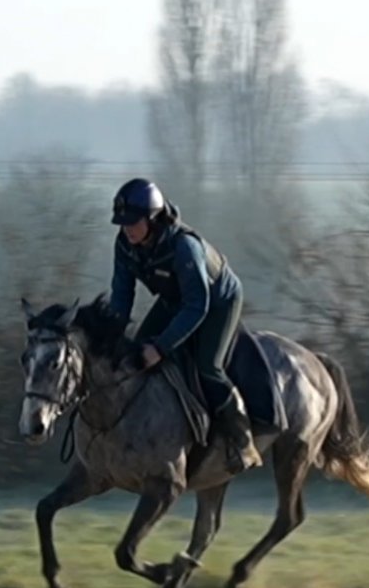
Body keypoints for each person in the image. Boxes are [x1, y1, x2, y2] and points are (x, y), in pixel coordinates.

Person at [108, 178, 262, 474]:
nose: (126, 229)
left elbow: (197, 306)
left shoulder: (184, 247)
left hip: (217, 301)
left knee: (208, 367)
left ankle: (243, 441)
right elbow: (122, 296)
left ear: (153, 218)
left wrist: (161, 348)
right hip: (175, 299)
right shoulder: (125, 245)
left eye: (133, 222)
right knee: (135, 356)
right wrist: (111, 339)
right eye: (122, 223)